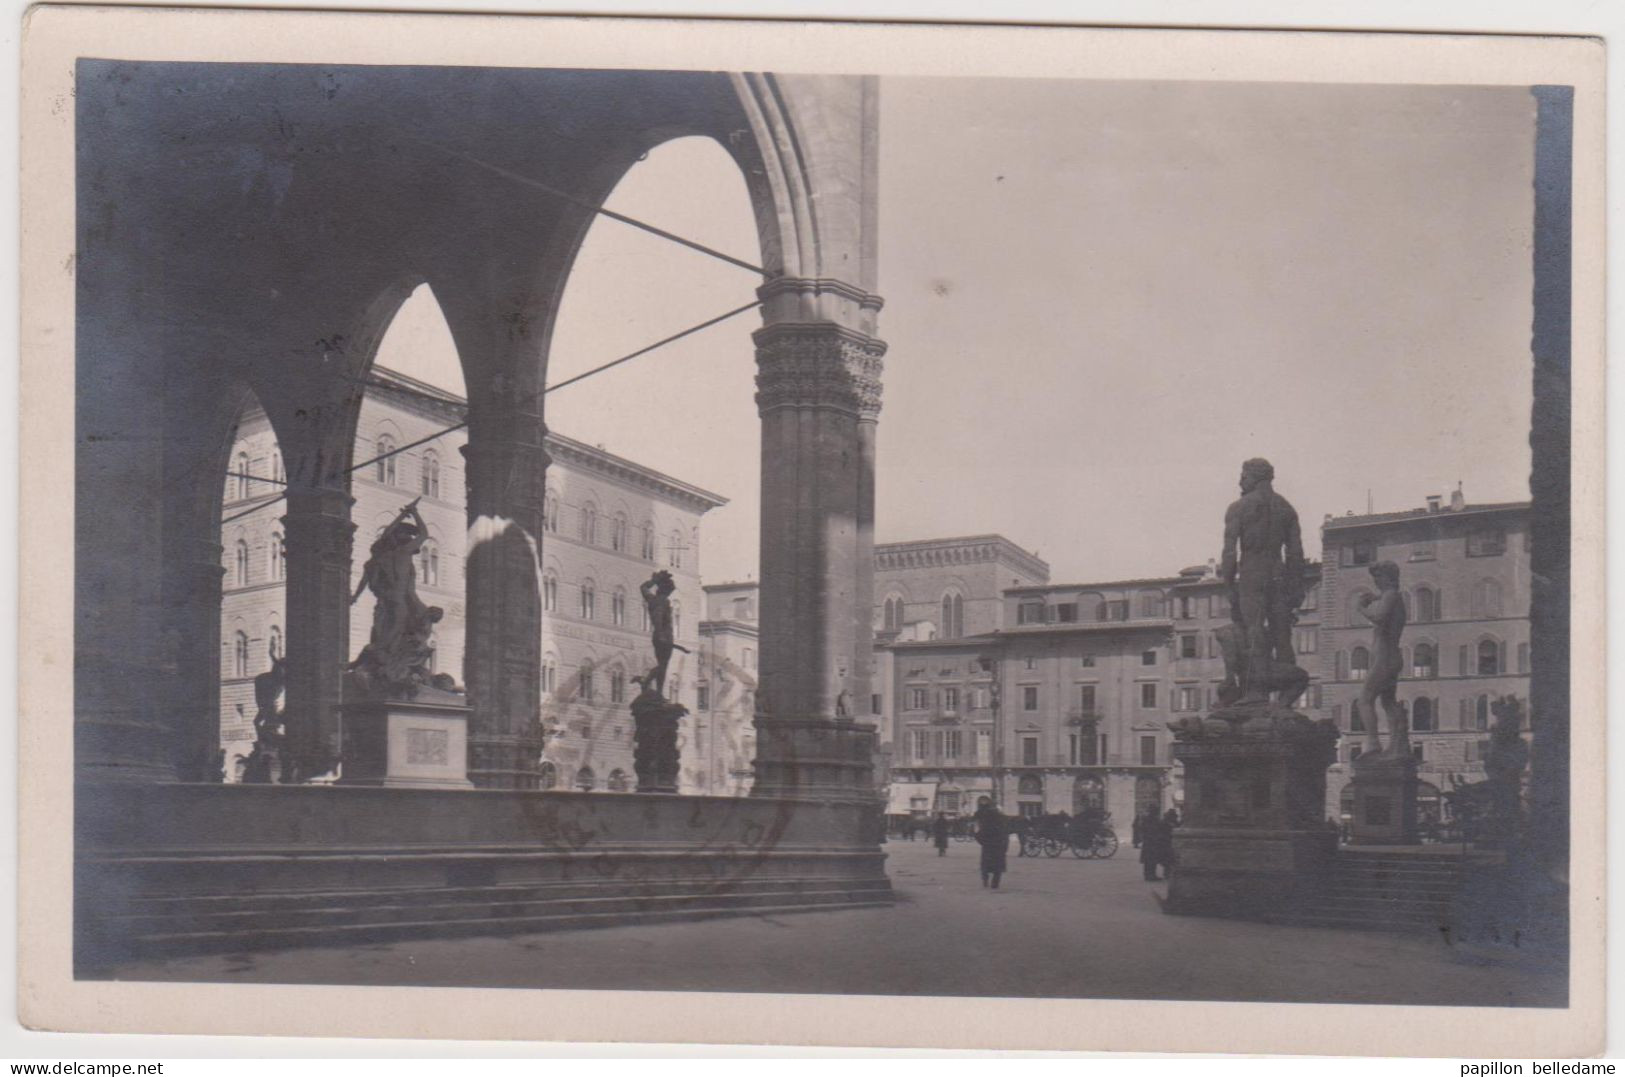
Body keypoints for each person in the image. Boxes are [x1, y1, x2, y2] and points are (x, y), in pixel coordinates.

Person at [972, 796, 1010, 889]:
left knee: (986, 864)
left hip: (988, 845)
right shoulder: (1002, 819)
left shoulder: (986, 820)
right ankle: (995, 883)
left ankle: (985, 879)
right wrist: (1005, 846)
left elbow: (979, 833)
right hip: (999, 845)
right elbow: (1006, 833)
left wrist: (982, 841)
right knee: (997, 866)